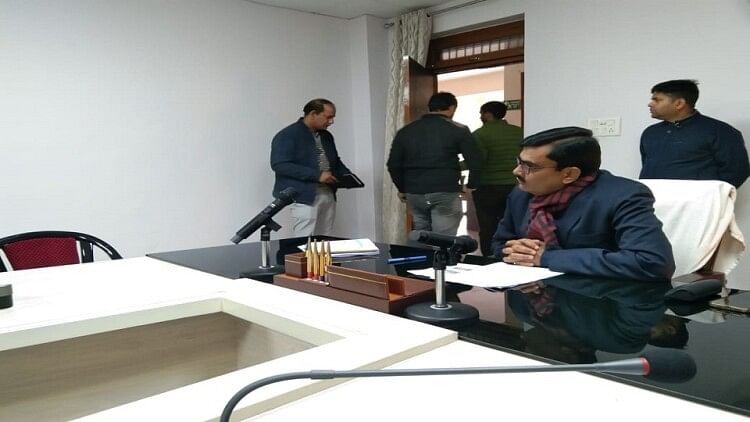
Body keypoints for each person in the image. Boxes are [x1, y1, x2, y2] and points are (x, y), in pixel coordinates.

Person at [492, 126, 675, 281]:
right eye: (519, 162)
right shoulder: (522, 194)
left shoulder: (623, 196)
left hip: (600, 300)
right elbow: (500, 244)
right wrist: (518, 251)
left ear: (569, 174)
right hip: (531, 293)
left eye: (528, 167)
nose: (516, 171)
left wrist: (547, 257)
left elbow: (653, 262)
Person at [387, 92, 482, 235]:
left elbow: (393, 164)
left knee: (421, 235)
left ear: (430, 107)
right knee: (443, 238)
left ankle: (422, 250)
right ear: (452, 108)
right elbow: (475, 161)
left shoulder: (406, 131)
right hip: (445, 190)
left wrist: (402, 188)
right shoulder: (459, 129)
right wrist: (471, 186)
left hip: (415, 192)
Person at [639, 79, 750, 188]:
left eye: (657, 100)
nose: (650, 104)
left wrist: (710, 194)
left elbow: (737, 171)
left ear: (679, 103)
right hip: (651, 198)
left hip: (700, 199)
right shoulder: (650, 133)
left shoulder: (721, 132)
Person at [270, 98, 352, 236]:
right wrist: (317, 175)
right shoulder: (288, 135)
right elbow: (280, 164)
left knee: (325, 239)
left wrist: (348, 177)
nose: (331, 121)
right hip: (304, 195)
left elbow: (334, 161)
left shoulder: (326, 136)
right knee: (304, 240)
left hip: (327, 192)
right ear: (313, 114)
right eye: (328, 117)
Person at [471, 101, 523, 256]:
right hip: (516, 185)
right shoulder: (519, 132)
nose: (480, 116)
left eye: (481, 113)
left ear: (488, 114)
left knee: (488, 225)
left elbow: (477, 161)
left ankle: (489, 257)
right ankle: (513, 255)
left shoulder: (480, 134)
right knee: (514, 222)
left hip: (488, 186)